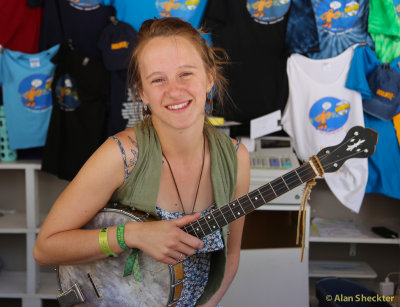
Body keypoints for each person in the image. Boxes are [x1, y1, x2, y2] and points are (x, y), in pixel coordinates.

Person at [34, 17, 250, 306]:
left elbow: (231, 256)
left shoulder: (235, 158)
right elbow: (45, 249)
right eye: (158, 79)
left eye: (186, 73)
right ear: (142, 92)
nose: (174, 90)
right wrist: (131, 235)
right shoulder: (122, 156)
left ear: (209, 77)